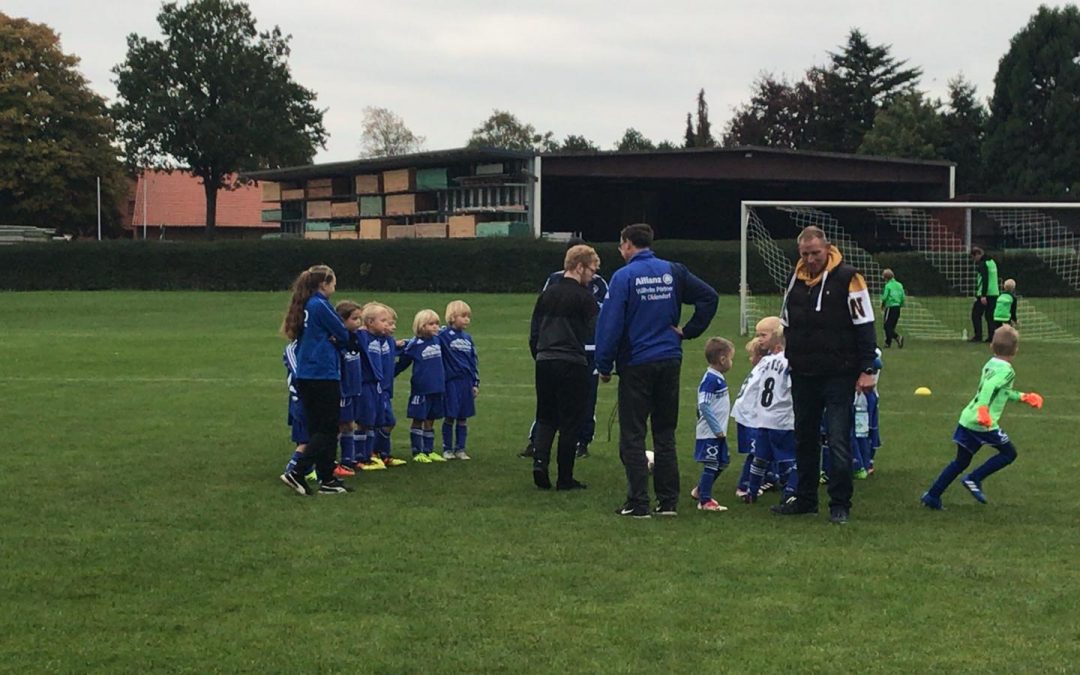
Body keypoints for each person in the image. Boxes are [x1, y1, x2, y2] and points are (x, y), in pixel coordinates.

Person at [594, 223, 719, 518]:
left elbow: (610, 324)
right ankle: (668, 502)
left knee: (634, 434)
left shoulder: (624, 276)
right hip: (669, 359)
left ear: (627, 244)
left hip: (637, 362)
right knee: (665, 433)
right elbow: (709, 297)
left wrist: (603, 364)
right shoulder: (673, 271)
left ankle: (638, 503)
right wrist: (688, 331)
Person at [773, 226, 877, 525]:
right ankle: (805, 499)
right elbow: (789, 323)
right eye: (804, 254)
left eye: (815, 253)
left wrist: (867, 368)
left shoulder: (848, 278)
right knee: (804, 438)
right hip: (803, 371)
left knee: (838, 438)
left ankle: (840, 504)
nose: (810, 259)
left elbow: (865, 323)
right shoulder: (795, 279)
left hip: (839, 372)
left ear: (827, 248)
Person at [921, 325, 1043, 509]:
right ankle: (974, 478)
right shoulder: (1008, 370)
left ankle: (932, 495)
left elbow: (1002, 392)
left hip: (967, 419)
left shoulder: (990, 363)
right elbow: (988, 388)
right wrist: (984, 411)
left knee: (960, 461)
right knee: (1009, 453)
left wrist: (1024, 397)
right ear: (1016, 350)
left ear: (991, 347)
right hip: (983, 423)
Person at [521, 238, 609, 460]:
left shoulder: (599, 285)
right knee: (552, 406)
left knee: (584, 402)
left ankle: (580, 442)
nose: (592, 274)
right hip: (565, 353)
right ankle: (548, 455)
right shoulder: (555, 283)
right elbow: (539, 320)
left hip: (580, 353)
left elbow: (603, 322)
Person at [278, 264, 354, 495]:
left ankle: (327, 478)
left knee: (320, 428)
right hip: (322, 373)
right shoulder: (321, 305)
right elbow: (343, 334)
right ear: (324, 284)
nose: (335, 286)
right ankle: (298, 471)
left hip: (307, 374)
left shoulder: (306, 305)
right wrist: (337, 338)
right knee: (328, 427)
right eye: (333, 282)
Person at [739, 317, 797, 504]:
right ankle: (790, 493)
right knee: (789, 458)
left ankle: (751, 491)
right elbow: (793, 389)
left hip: (763, 418)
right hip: (782, 419)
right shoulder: (790, 363)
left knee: (760, 457)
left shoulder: (766, 361)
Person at [688, 337, 734, 512]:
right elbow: (704, 405)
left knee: (723, 462)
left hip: (717, 432)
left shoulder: (717, 377)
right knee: (712, 464)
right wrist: (716, 428)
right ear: (722, 359)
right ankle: (705, 500)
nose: (731, 362)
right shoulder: (711, 380)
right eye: (731, 358)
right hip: (711, 433)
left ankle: (699, 490)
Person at [396, 309, 447, 463]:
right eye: (431, 324)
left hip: (437, 387)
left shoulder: (438, 340)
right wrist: (389, 374)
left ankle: (428, 450)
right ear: (421, 326)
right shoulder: (414, 345)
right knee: (418, 418)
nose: (436, 327)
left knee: (431, 419)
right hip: (421, 389)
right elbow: (403, 362)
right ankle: (417, 451)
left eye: (437, 323)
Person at [440, 300, 480, 460]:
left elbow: (473, 361)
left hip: (466, 382)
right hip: (451, 382)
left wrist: (475, 383)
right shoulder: (443, 336)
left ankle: (460, 448)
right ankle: (447, 448)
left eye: (468, 317)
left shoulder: (468, 338)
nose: (467, 320)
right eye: (463, 316)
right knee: (450, 415)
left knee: (463, 417)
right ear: (452, 317)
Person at [730, 337, 768, 498]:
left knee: (764, 449)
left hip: (748, 413)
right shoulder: (766, 366)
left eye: (752, 355)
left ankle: (763, 478)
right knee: (756, 451)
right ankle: (744, 485)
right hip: (750, 416)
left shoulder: (762, 365)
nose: (750, 359)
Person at [373, 305, 407, 466]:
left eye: (392, 323)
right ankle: (373, 453)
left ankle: (382, 454)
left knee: (385, 421)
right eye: (386, 322)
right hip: (376, 389)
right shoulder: (373, 342)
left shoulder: (389, 342)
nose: (391, 326)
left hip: (386, 389)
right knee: (385, 421)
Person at [334, 300, 365, 477]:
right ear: (342, 320)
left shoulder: (357, 338)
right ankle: (335, 460)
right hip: (342, 389)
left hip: (354, 388)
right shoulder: (338, 340)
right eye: (354, 319)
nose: (358, 323)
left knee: (350, 423)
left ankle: (348, 459)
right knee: (341, 424)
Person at [969, 247, 1000, 343]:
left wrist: (983, 295)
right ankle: (992, 337)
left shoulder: (983, 264)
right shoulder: (992, 262)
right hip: (994, 293)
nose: (974, 260)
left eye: (974, 257)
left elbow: (985, 279)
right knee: (990, 316)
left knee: (975, 315)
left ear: (977, 254)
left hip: (985, 294)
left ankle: (978, 336)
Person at [880, 268, 905, 348]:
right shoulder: (899, 285)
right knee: (892, 326)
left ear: (886, 278)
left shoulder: (888, 285)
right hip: (897, 307)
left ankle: (898, 337)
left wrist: (882, 304)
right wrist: (901, 304)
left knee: (886, 326)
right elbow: (902, 297)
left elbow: (885, 297)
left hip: (890, 307)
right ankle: (888, 343)